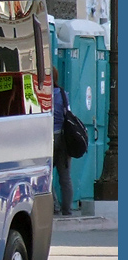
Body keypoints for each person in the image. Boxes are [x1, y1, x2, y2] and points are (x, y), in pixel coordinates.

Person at [52, 67, 73, 217]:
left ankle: (54, 206)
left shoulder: (41, 95)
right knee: (65, 176)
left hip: (48, 139)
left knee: (46, 175)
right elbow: (69, 114)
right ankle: (67, 209)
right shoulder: (63, 94)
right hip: (63, 138)